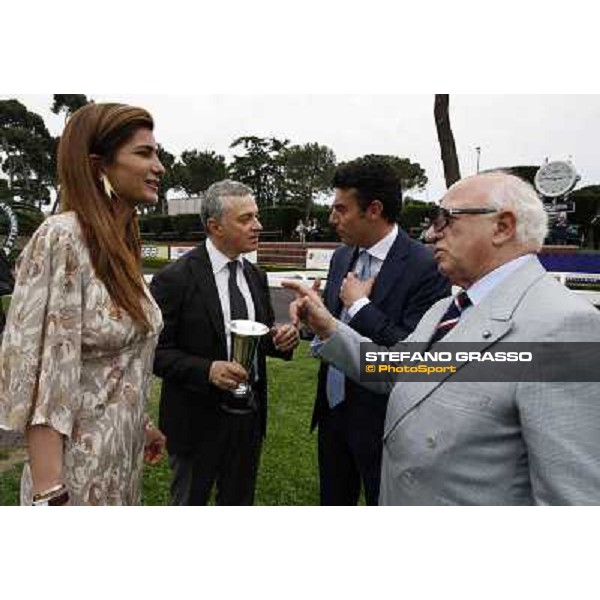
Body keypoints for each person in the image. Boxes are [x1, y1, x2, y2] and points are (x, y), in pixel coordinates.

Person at [285, 172, 600, 505]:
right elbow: (396, 370)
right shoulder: (446, 309)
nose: (431, 233)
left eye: (445, 219)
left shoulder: (565, 324)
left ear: (503, 227)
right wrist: (326, 326)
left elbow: (574, 499)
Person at [0, 103, 167, 506]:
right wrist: (50, 493)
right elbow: (43, 377)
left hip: (120, 468)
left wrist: (140, 424)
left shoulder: (122, 244)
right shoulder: (62, 238)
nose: (159, 166)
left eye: (156, 153)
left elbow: (109, 363)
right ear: (98, 166)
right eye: (144, 153)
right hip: (74, 479)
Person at [308, 157, 450, 505]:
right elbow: (336, 327)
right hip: (332, 412)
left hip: (384, 423)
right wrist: (313, 314)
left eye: (341, 209)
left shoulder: (427, 267)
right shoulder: (342, 256)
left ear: (373, 209)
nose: (332, 218)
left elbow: (415, 353)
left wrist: (361, 308)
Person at [150, 180, 300, 505]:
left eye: (256, 216)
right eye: (246, 219)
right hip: (194, 423)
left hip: (247, 419)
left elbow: (259, 338)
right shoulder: (174, 279)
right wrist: (207, 370)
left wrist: (281, 339)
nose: (258, 226)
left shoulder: (255, 276)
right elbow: (155, 354)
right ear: (215, 226)